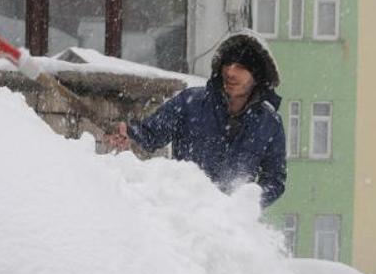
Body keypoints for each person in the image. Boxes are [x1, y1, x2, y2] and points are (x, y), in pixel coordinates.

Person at [107, 29, 286, 207]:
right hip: (184, 215)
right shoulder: (190, 103)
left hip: (230, 225)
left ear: (257, 77)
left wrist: (245, 205)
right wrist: (128, 133)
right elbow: (151, 134)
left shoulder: (270, 124)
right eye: (228, 64)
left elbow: (275, 180)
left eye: (240, 67)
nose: (230, 72)